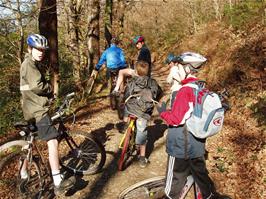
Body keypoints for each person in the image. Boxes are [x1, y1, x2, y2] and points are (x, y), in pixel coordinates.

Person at [156, 54, 231, 199]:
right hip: (197, 145)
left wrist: (163, 112)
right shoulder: (201, 88)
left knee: (172, 188)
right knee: (203, 182)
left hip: (180, 146)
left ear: (187, 69)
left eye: (178, 66)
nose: (176, 70)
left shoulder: (184, 91)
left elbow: (176, 119)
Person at [20, 34, 75, 195]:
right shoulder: (29, 64)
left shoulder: (29, 63)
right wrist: (50, 89)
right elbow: (37, 86)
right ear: (30, 48)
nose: (41, 52)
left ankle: (23, 173)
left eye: (43, 50)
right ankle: (58, 180)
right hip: (37, 111)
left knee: (28, 144)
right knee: (52, 142)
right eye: (38, 49)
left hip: (30, 109)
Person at [123, 60, 162, 168]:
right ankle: (142, 157)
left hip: (130, 109)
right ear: (148, 71)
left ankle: (125, 122)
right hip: (143, 111)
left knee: (127, 108)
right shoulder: (152, 82)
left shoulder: (132, 81)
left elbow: (126, 96)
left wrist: (125, 110)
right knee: (142, 132)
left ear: (135, 70)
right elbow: (158, 93)